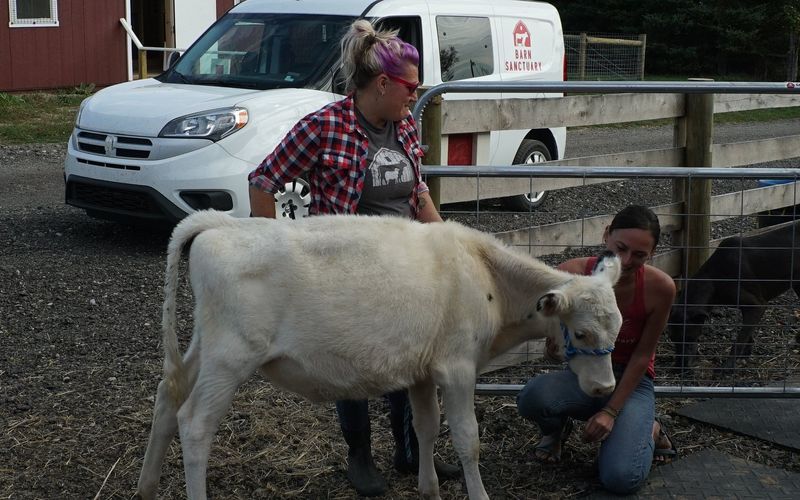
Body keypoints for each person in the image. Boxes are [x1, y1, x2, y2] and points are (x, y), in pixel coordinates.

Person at [248, 19, 458, 497]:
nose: (416, 95)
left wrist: (450, 246)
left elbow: (417, 192)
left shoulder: (404, 124)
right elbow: (264, 182)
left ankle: (412, 451)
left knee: (414, 360)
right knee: (354, 367)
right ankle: (359, 457)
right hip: (347, 275)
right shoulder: (325, 126)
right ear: (383, 83)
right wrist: (279, 253)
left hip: (407, 271)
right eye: (411, 86)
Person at [516, 205, 678, 495]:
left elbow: (643, 356)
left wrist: (611, 412)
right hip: (586, 377)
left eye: (640, 255)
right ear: (606, 235)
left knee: (620, 478)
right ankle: (555, 432)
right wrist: (553, 349)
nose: (627, 261)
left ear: (652, 253)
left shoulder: (660, 288)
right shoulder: (569, 276)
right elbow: (555, 344)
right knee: (532, 398)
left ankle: (648, 430)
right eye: (621, 248)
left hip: (632, 380)